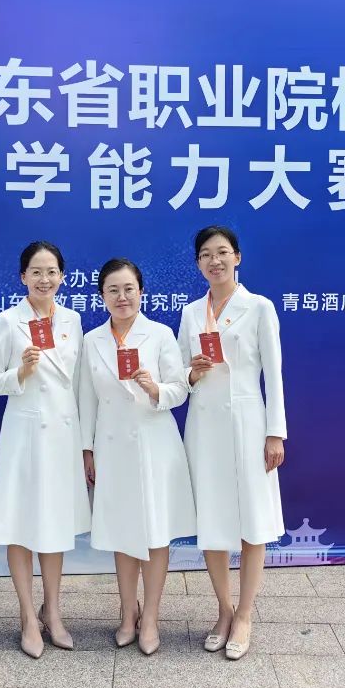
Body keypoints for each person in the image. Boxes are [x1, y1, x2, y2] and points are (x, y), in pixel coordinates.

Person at [177, 225, 286, 661]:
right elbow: (179, 375)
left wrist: (275, 432)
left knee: (252, 520)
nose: (215, 261)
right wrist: (192, 372)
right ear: (198, 264)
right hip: (204, 425)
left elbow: (273, 375)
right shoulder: (191, 313)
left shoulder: (258, 307)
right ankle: (223, 610)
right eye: (206, 254)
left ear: (237, 257)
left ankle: (245, 614)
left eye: (222, 252)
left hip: (247, 422)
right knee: (213, 519)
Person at [79, 258, 197, 655]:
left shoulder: (160, 334)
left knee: (156, 531)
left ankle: (151, 618)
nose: (122, 297)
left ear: (141, 292)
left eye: (129, 289)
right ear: (102, 296)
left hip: (154, 443)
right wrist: (87, 449)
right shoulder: (92, 340)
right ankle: (128, 611)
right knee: (123, 530)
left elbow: (180, 388)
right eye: (113, 290)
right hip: (112, 447)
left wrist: (155, 388)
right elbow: (87, 399)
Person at [0, 241, 90, 658]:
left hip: (62, 434)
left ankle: (53, 611)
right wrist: (20, 372)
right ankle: (28, 615)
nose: (44, 279)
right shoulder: (8, 321)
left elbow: (79, 384)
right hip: (25, 435)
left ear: (62, 276)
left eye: (51, 272)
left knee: (55, 524)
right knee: (21, 522)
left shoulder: (72, 320)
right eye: (36, 272)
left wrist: (85, 443)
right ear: (22, 277)